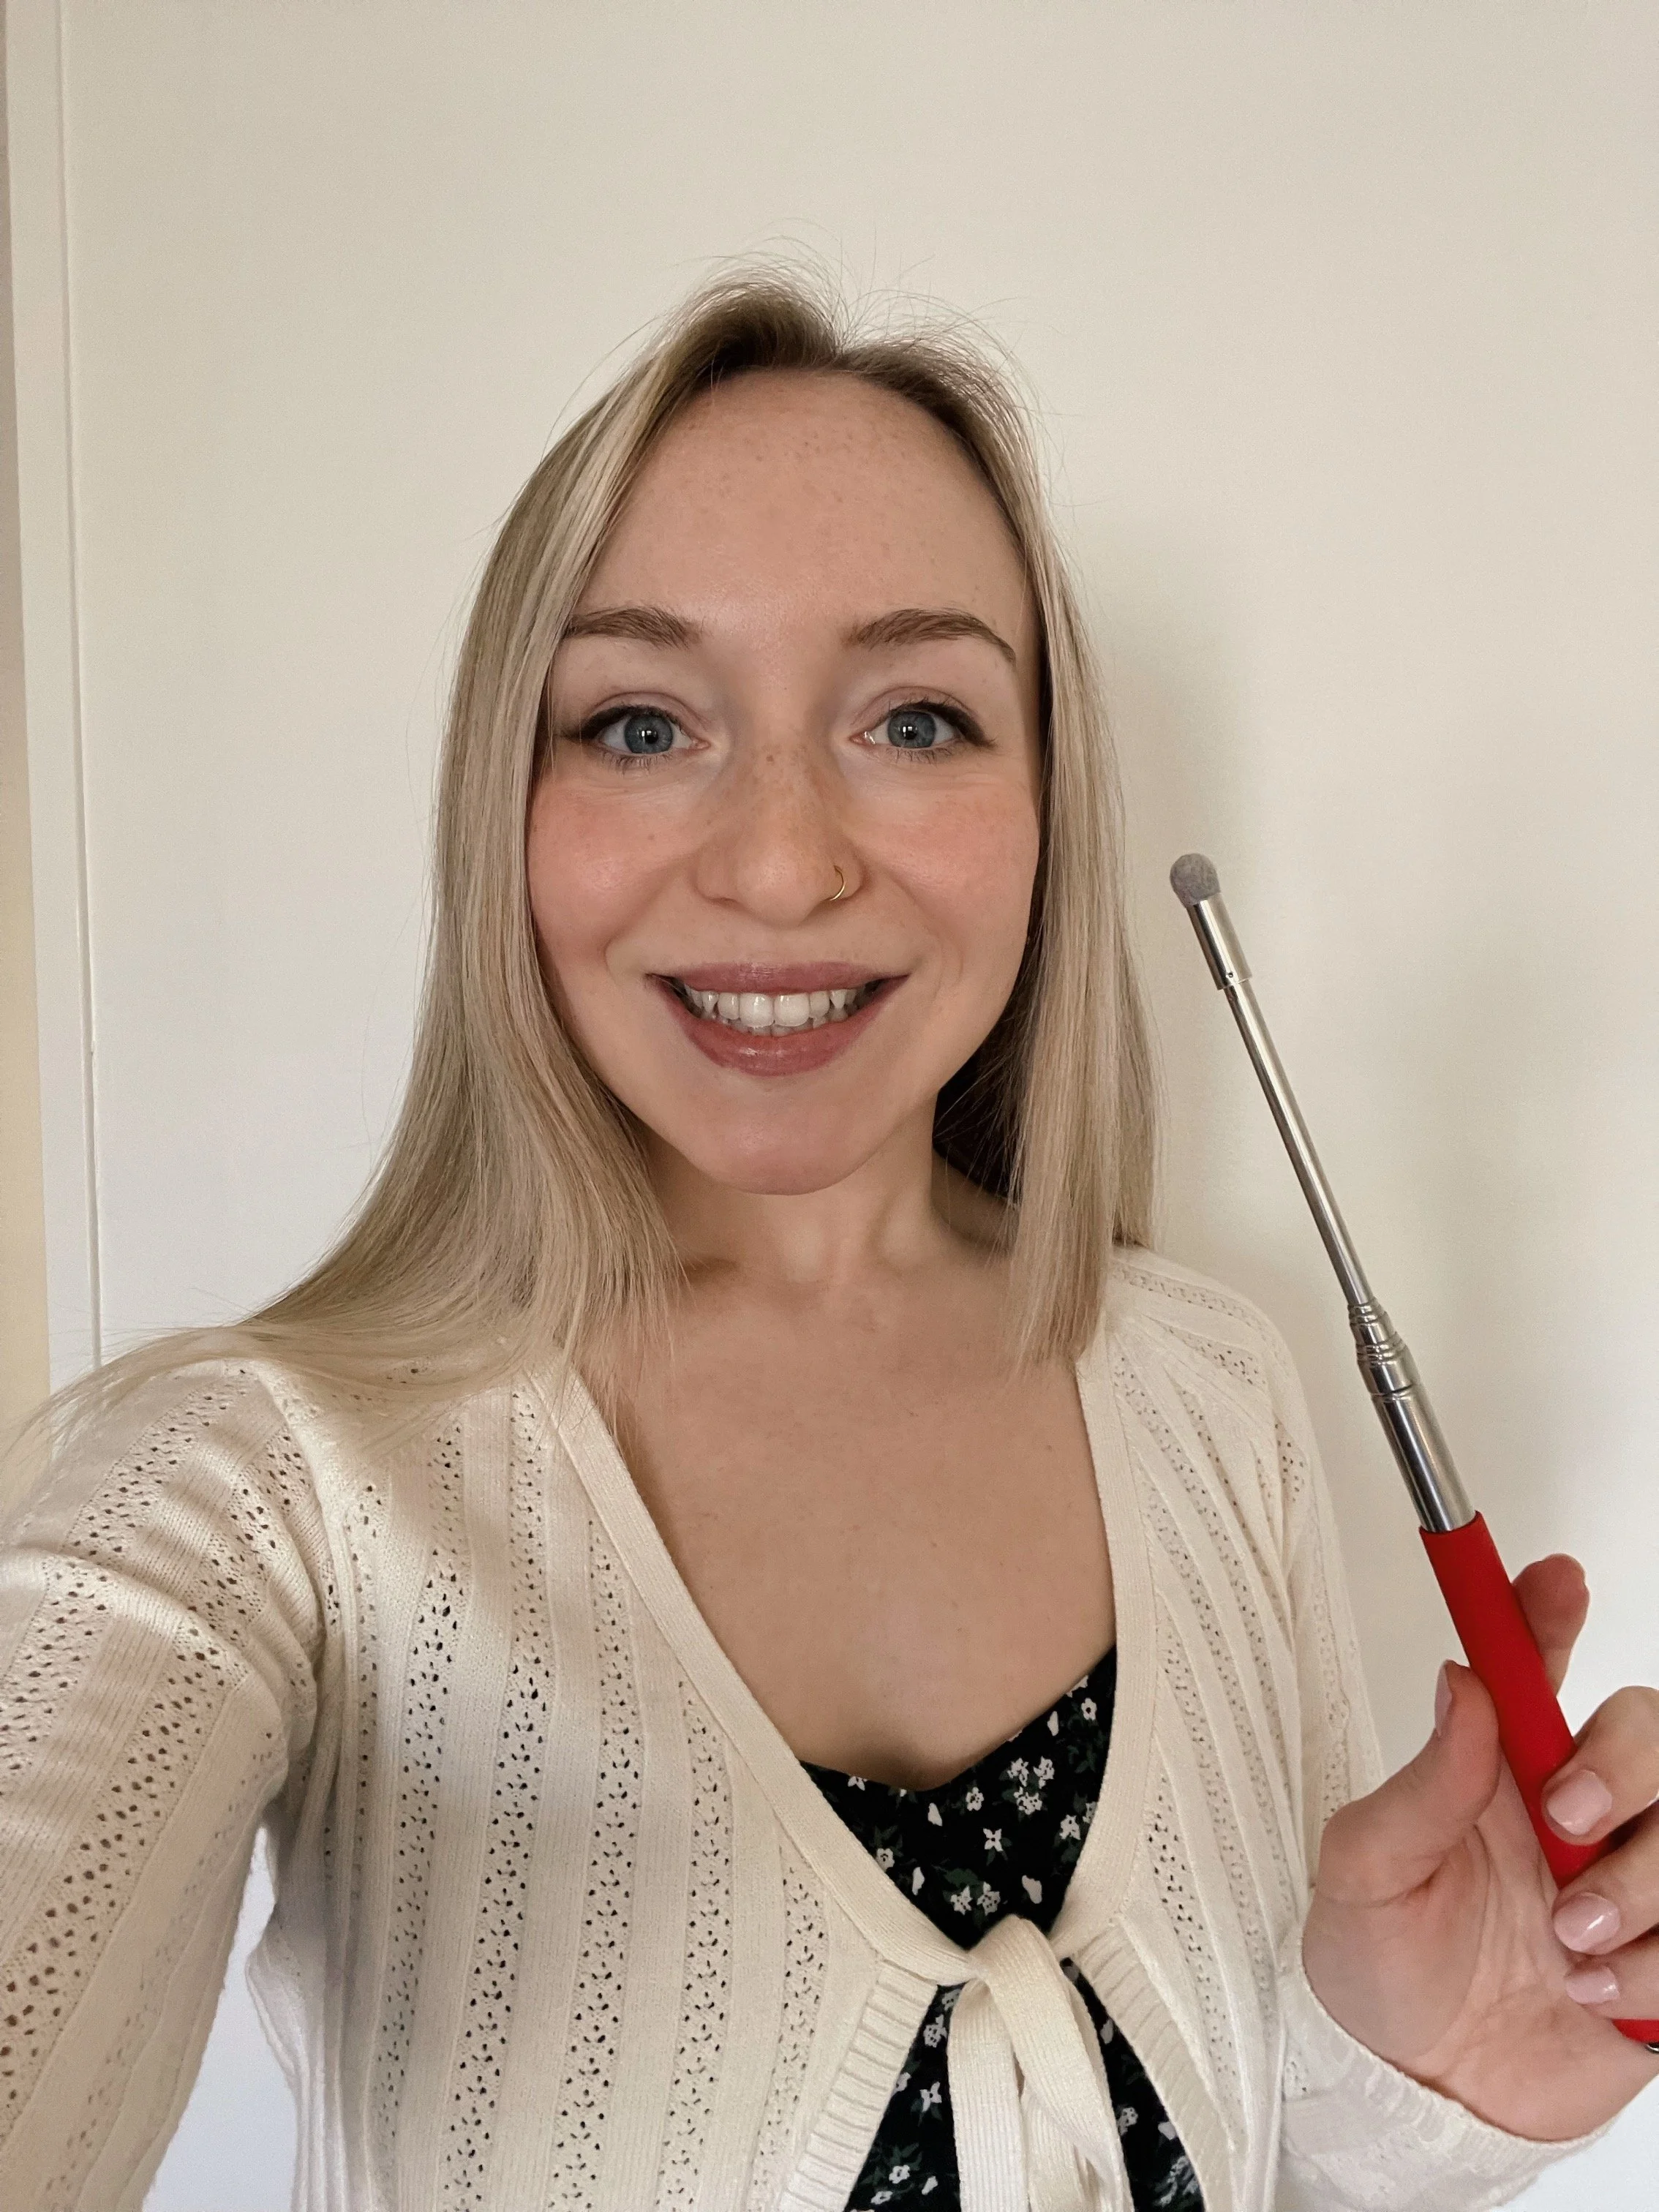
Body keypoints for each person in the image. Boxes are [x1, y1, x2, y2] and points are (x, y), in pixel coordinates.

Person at [1, 268, 1654, 2212]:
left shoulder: (1211, 1384)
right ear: (500, 811)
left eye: (916, 716)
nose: (781, 861)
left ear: (1048, 807)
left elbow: (1230, 2157)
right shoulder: (246, 1489)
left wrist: (1415, 2074)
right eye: (636, 722)